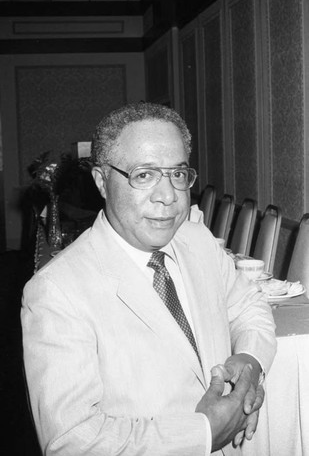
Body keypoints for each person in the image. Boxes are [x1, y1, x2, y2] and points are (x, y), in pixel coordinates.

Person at [21, 102, 277, 456]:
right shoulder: (56, 291)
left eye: (177, 173)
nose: (168, 196)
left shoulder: (197, 240)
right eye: (144, 175)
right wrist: (202, 433)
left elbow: (249, 305)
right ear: (101, 182)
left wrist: (250, 360)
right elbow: (72, 441)